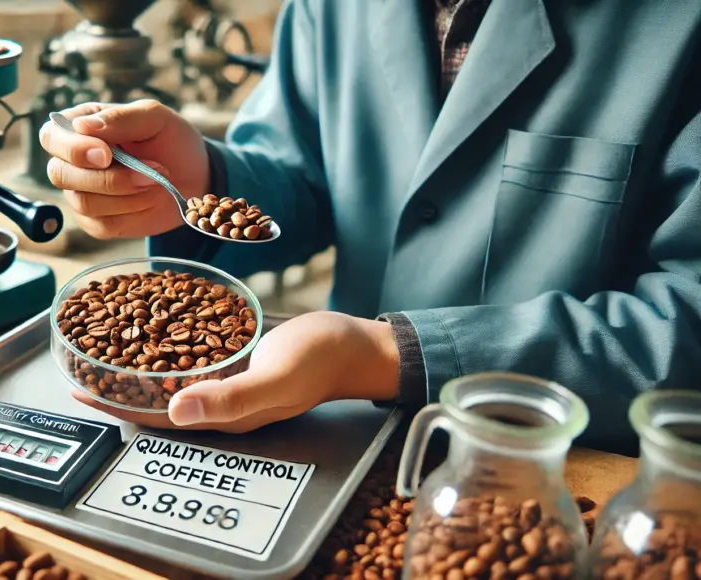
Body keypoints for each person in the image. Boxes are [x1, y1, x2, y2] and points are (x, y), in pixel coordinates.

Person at [39, 0, 701, 456]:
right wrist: (208, 181)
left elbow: (687, 319)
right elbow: (310, 176)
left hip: (563, 464)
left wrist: (392, 356)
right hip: (338, 436)